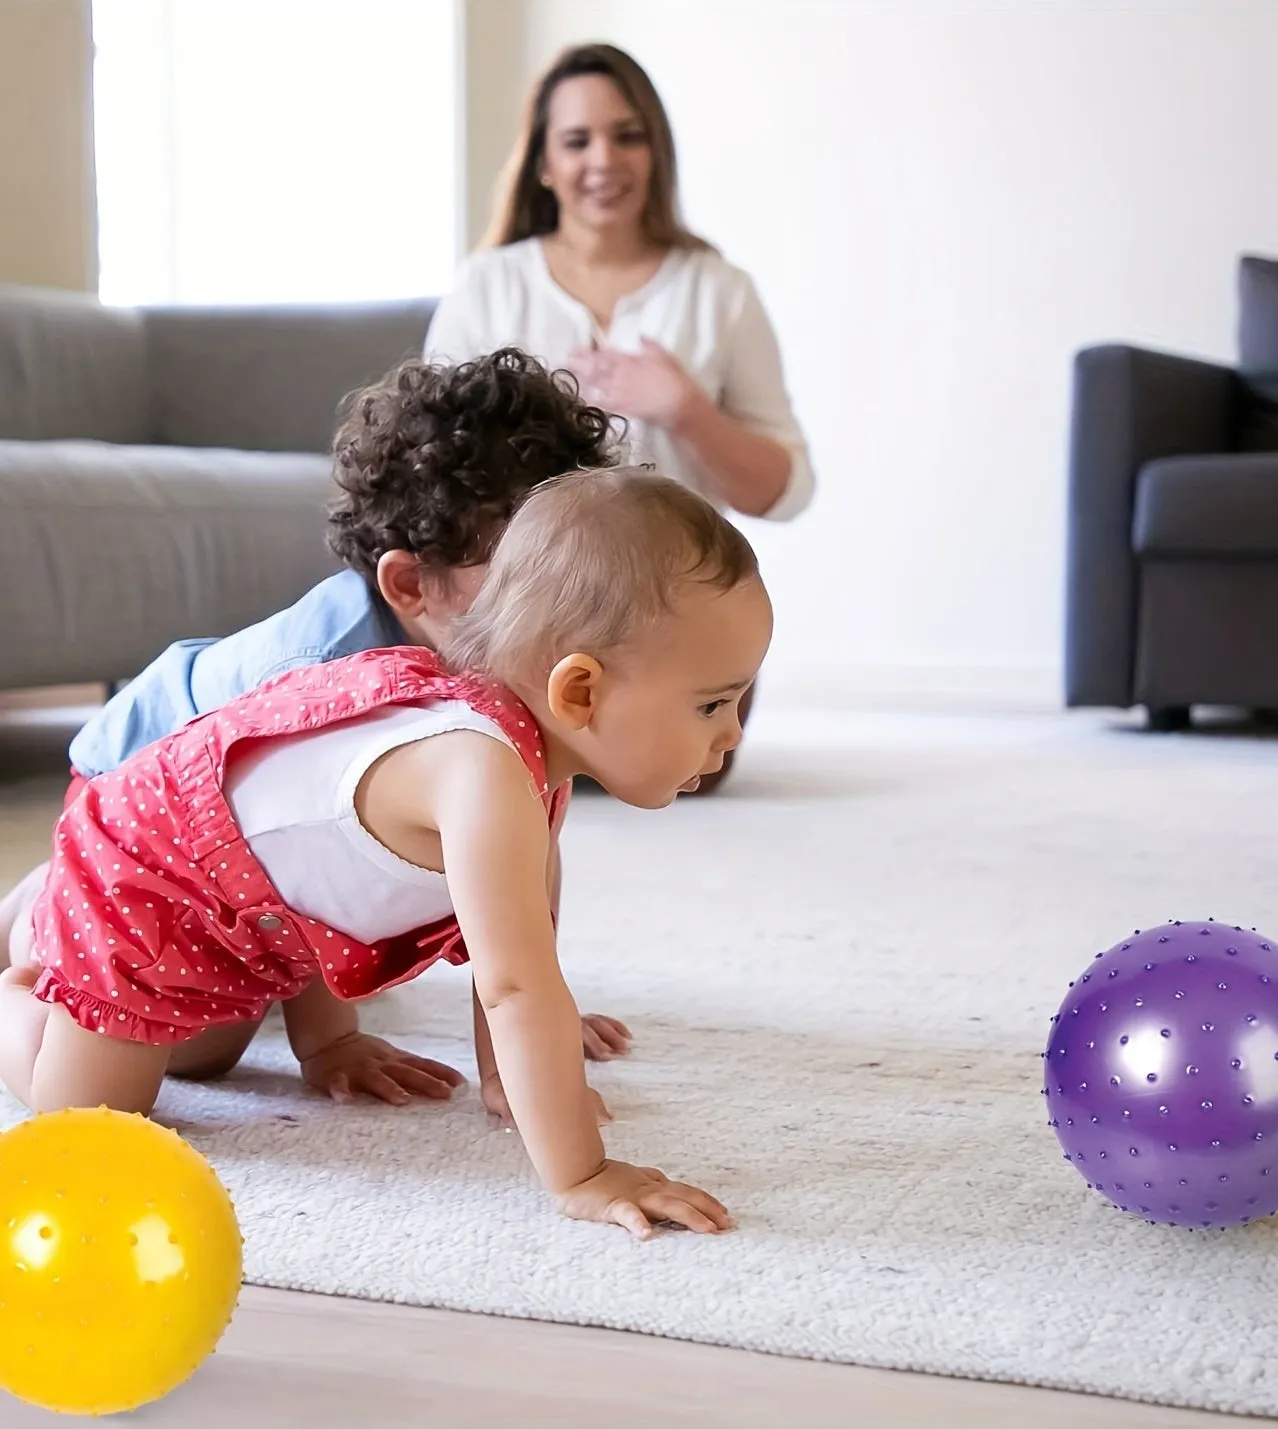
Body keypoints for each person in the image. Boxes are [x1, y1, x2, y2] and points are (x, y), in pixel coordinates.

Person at [0, 469, 767, 1239]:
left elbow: (352, 881)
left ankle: (57, 938)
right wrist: (583, 1172)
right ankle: (27, 969)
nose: (733, 733)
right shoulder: (478, 769)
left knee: (203, 1058)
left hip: (258, 909)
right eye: (711, 703)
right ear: (577, 693)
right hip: (146, 866)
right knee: (94, 1119)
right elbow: (515, 990)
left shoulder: (536, 773)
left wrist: (469, 1072)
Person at [0, 351, 633, 1080]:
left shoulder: (498, 666)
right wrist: (327, 1042)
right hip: (134, 808)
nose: (569, 601)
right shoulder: (329, 684)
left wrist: (532, 1013)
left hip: (236, 832)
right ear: (409, 584)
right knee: (199, 1048)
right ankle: (37, 922)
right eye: (532, 577)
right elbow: (291, 861)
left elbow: (520, 851)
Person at [425, 42, 813, 790]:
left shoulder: (719, 291)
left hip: (675, 617)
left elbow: (784, 490)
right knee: (496, 761)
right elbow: (438, 471)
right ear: (543, 161)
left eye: (627, 134)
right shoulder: (488, 287)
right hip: (522, 609)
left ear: (656, 151)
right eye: (577, 140)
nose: (604, 159)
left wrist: (686, 409)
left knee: (682, 766)